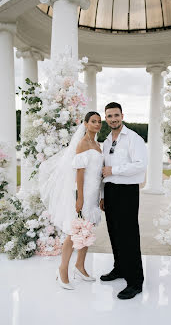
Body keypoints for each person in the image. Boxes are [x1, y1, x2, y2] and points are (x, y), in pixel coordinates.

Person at [39, 111, 103, 290]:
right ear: (85, 124)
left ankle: (80, 266)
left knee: (87, 231)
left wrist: (100, 197)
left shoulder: (97, 145)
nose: (97, 124)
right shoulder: (82, 144)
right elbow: (79, 173)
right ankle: (62, 270)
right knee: (72, 232)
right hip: (82, 194)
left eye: (99, 122)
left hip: (93, 195)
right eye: (93, 121)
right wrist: (80, 198)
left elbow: (98, 174)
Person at [100, 102, 147, 300]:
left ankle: (136, 281)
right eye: (109, 116)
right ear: (106, 118)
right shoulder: (107, 141)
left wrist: (114, 170)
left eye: (116, 115)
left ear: (122, 115)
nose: (113, 119)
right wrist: (102, 196)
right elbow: (102, 170)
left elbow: (140, 165)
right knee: (114, 232)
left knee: (128, 235)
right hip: (110, 191)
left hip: (127, 191)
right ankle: (119, 268)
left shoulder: (134, 138)